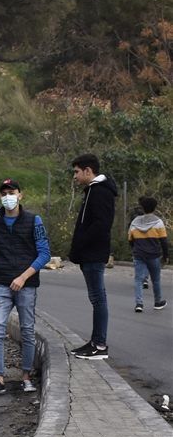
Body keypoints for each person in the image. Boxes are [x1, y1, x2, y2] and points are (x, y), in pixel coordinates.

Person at [0, 178, 51, 395]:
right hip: (2, 284)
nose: (8, 197)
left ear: (20, 195)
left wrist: (23, 277)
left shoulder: (33, 220)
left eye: (11, 192)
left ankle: (26, 377)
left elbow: (44, 254)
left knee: (27, 331)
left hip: (27, 285)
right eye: (4, 193)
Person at [68, 154, 117, 360]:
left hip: (94, 253)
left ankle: (100, 345)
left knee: (98, 298)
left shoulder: (100, 191)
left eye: (77, 172)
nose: (75, 176)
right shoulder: (93, 190)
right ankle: (94, 342)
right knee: (96, 298)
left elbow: (101, 224)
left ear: (88, 171)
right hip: (89, 253)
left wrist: (81, 242)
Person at [129, 196, 168, 312]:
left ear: (142, 208)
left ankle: (139, 303)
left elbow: (130, 240)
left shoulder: (135, 222)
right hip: (154, 254)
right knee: (156, 279)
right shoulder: (158, 222)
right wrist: (166, 255)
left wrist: (135, 249)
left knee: (138, 279)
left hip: (138, 254)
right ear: (155, 208)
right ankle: (157, 302)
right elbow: (164, 241)